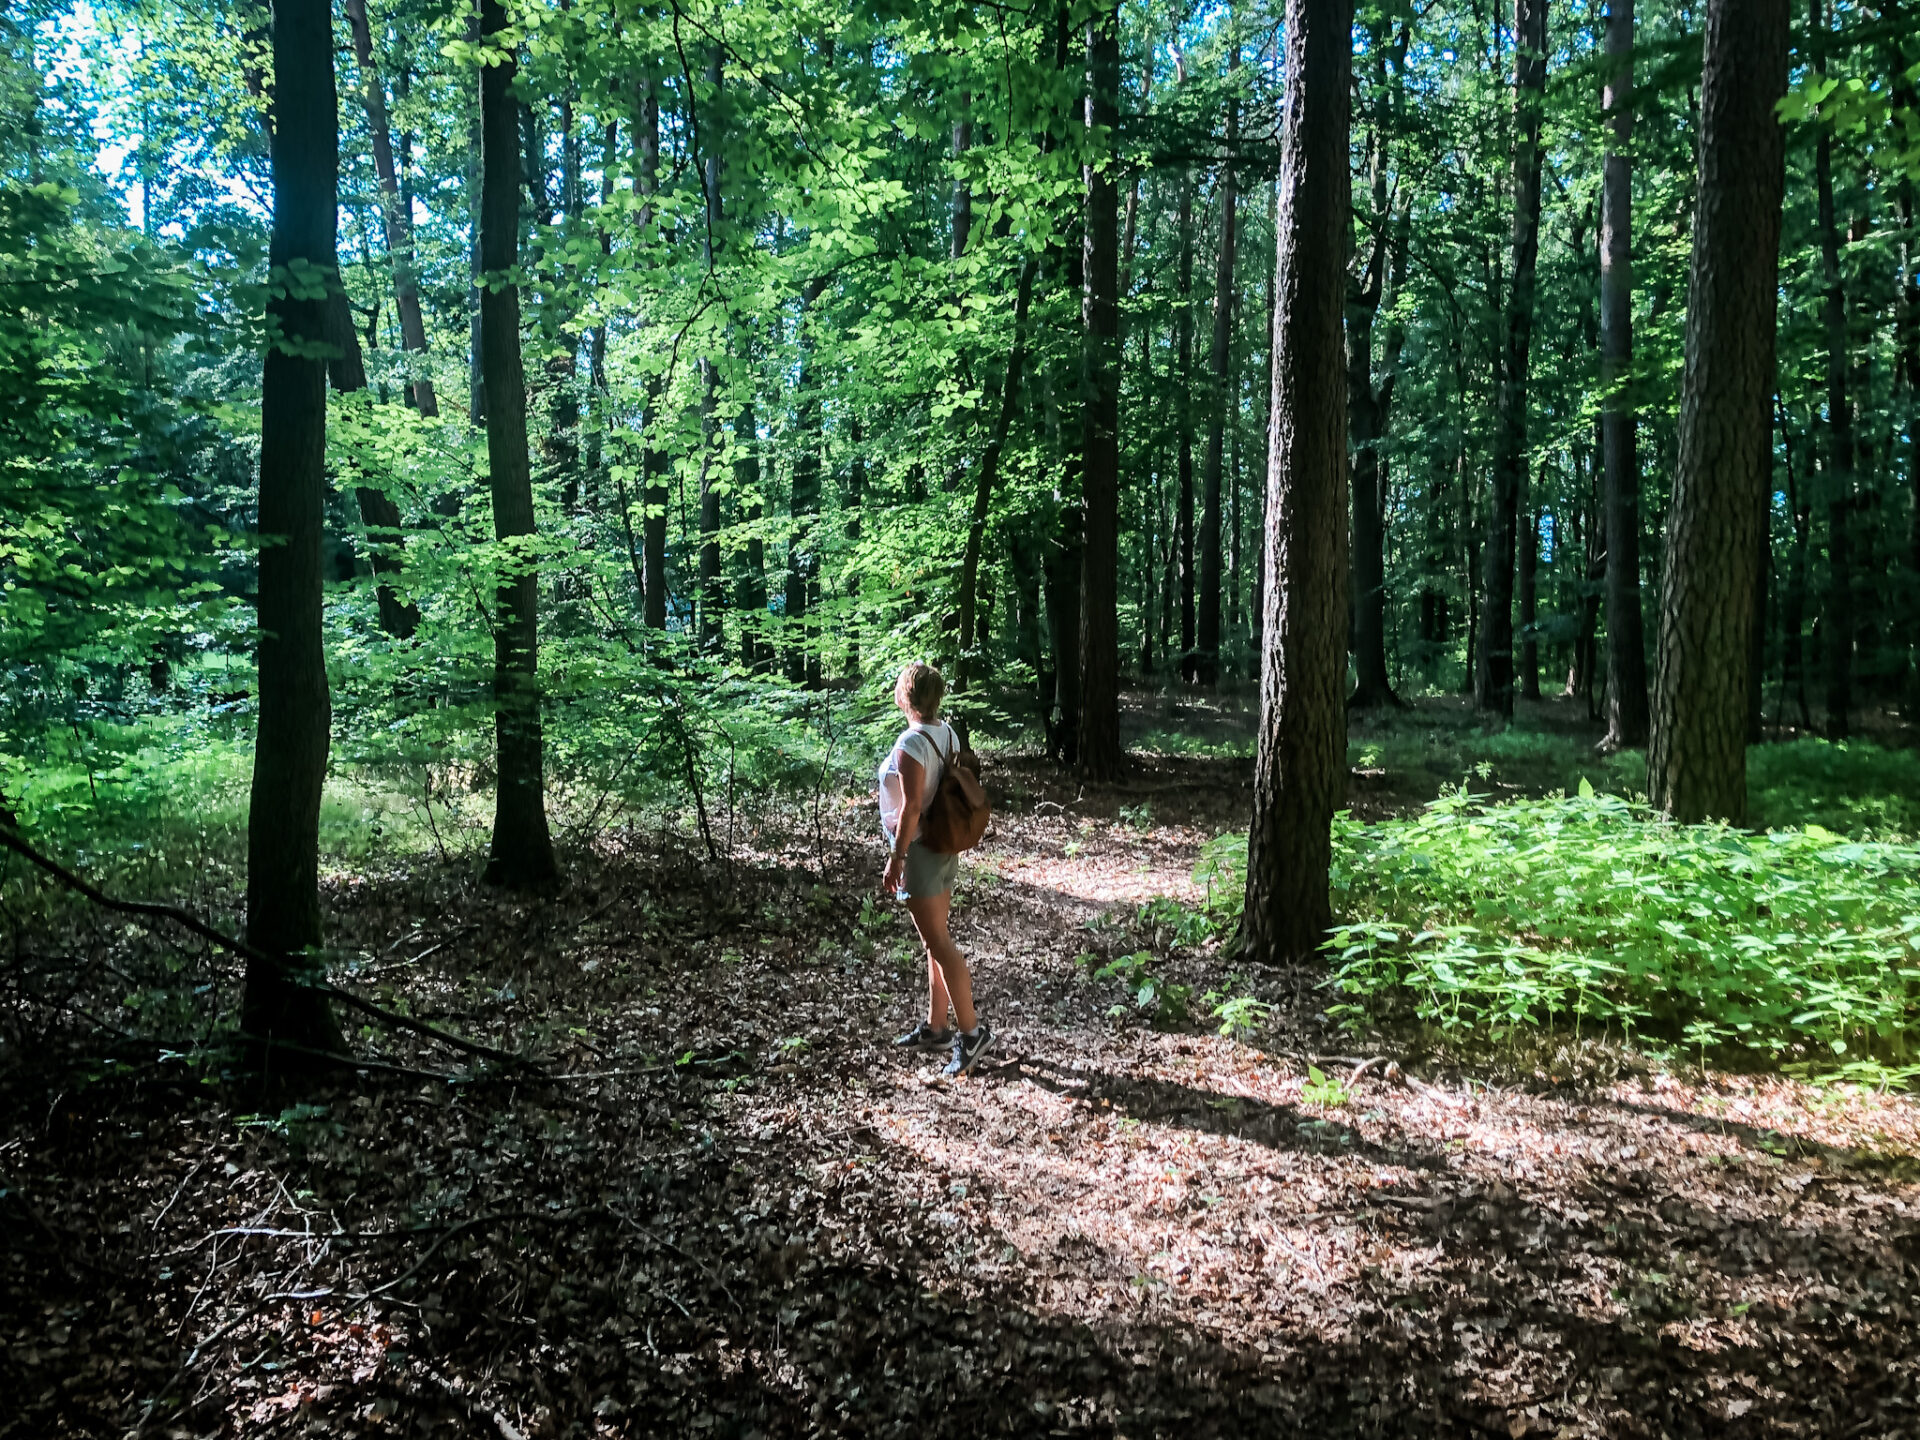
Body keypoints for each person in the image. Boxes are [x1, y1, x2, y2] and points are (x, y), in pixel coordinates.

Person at [877, 662, 994, 1076]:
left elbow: (910, 808)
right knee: (936, 941)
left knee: (941, 946)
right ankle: (937, 1026)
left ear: (905, 697)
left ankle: (972, 1033)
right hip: (944, 847)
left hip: (924, 850)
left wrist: (897, 856)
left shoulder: (911, 743)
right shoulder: (946, 733)